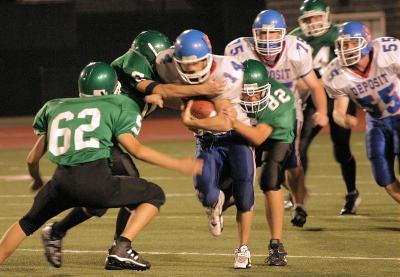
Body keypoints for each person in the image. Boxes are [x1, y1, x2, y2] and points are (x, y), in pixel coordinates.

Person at [39, 30, 225, 269]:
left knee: (99, 202)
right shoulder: (134, 63)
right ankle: (120, 247)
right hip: (104, 138)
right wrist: (204, 90)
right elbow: (162, 92)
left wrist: (198, 106)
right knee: (133, 187)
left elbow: (165, 97)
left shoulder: (149, 74)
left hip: (107, 139)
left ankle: (58, 232)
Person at [0, 62, 203, 271]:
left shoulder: (54, 106)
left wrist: (37, 180)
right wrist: (178, 164)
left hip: (60, 182)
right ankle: (122, 247)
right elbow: (136, 150)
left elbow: (32, 159)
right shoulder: (117, 105)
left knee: (26, 224)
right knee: (154, 194)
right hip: (96, 181)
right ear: (113, 86)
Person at [156, 29, 254, 269]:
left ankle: (243, 249)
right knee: (206, 191)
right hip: (207, 139)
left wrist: (191, 121)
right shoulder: (165, 63)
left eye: (197, 62)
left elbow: (223, 121)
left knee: (245, 194)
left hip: (236, 136)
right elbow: (162, 92)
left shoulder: (228, 71)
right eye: (185, 64)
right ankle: (216, 203)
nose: (191, 69)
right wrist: (185, 100)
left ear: (208, 56)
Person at [225, 9, 328, 227]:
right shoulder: (239, 49)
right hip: (251, 111)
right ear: (254, 34)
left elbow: (315, 85)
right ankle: (231, 194)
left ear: (283, 33)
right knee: (242, 155)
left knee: (293, 161)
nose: (267, 39)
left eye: (273, 34)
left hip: (287, 112)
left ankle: (299, 204)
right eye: (262, 34)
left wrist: (322, 112)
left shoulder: (296, 51)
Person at [290, 0, 361, 215]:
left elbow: (348, 69)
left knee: (341, 149)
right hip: (313, 100)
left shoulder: (340, 36)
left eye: (317, 17)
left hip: (340, 97)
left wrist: (315, 83)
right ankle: (297, 193)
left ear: (327, 16)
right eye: (309, 18)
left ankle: (351, 193)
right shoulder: (295, 38)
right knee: (298, 148)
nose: (314, 22)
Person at [224, 59, 295, 266]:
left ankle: (276, 244)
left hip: (277, 135)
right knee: (233, 179)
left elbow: (258, 137)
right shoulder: (230, 90)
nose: (252, 97)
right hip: (244, 130)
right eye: (246, 92)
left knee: (270, 180)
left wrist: (233, 121)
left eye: (257, 92)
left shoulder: (280, 99)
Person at [323, 21, 400, 206]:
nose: (346, 49)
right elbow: (338, 111)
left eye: (350, 43)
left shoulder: (387, 53)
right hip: (377, 122)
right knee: (382, 175)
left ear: (365, 41)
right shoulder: (335, 74)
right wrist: (344, 119)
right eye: (342, 44)